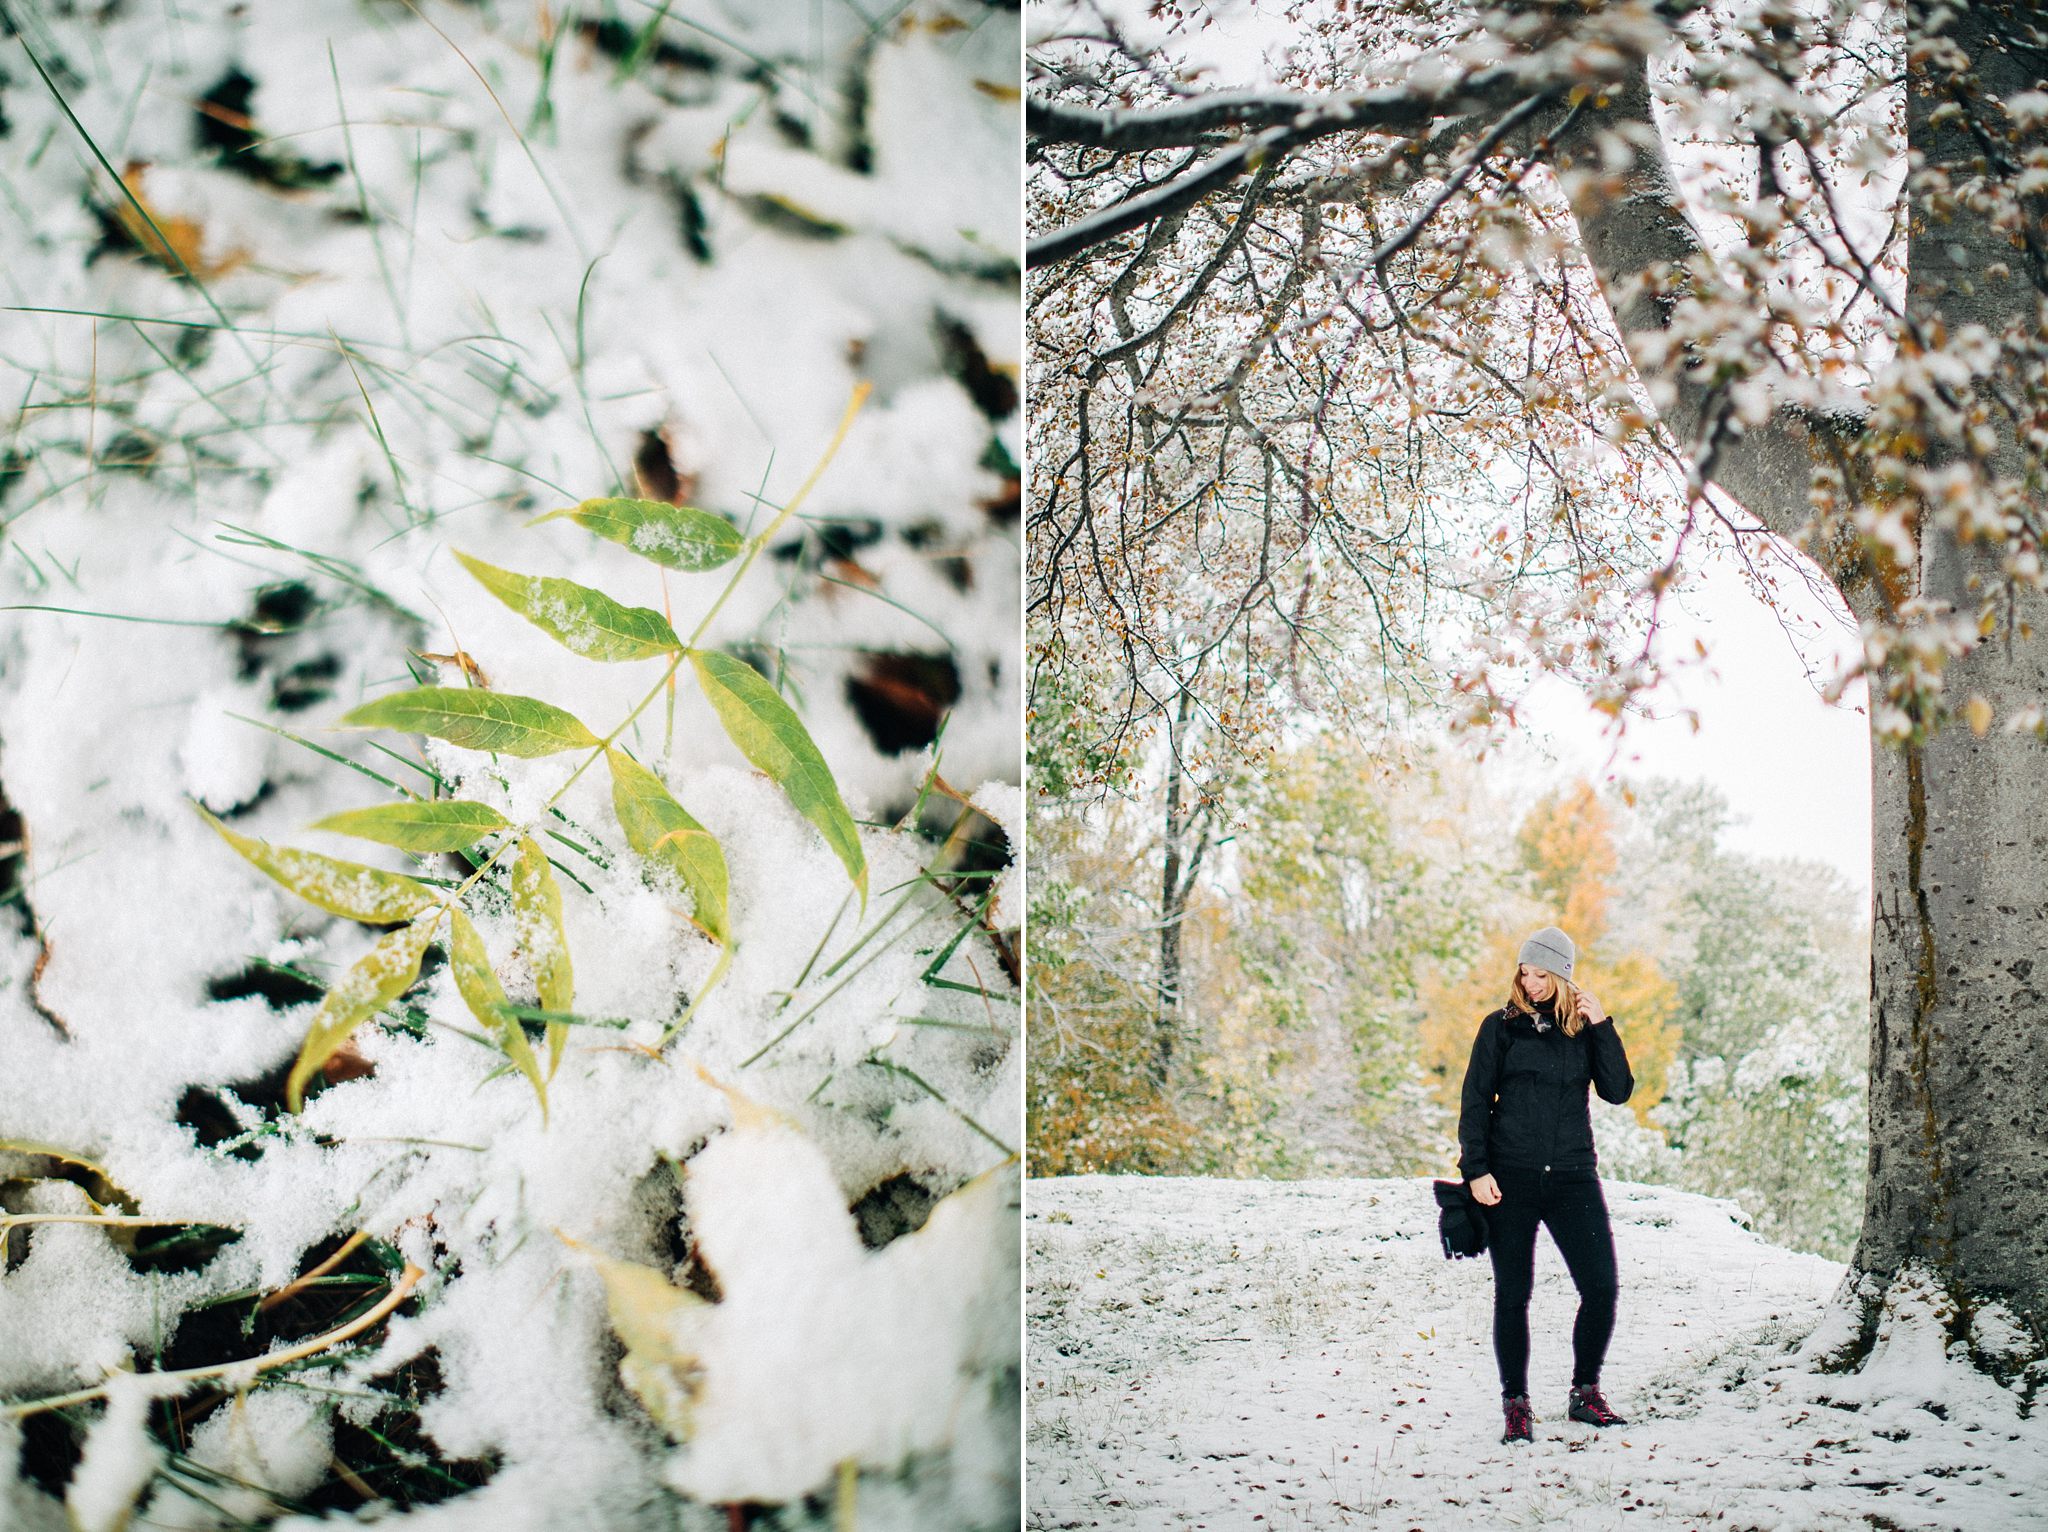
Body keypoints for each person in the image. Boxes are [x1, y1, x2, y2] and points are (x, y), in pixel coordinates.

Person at [1458, 925, 1635, 1444]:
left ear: (1562, 976)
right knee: (1513, 1294)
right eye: (1524, 972)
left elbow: (1618, 1091)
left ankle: (1586, 1392)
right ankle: (1516, 1403)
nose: (1530, 982)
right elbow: (1474, 1102)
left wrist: (1602, 1025)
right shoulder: (1499, 1028)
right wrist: (1477, 1170)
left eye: (1541, 974)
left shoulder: (1581, 1031)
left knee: (1601, 1287)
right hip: (1508, 1179)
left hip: (1573, 1176)